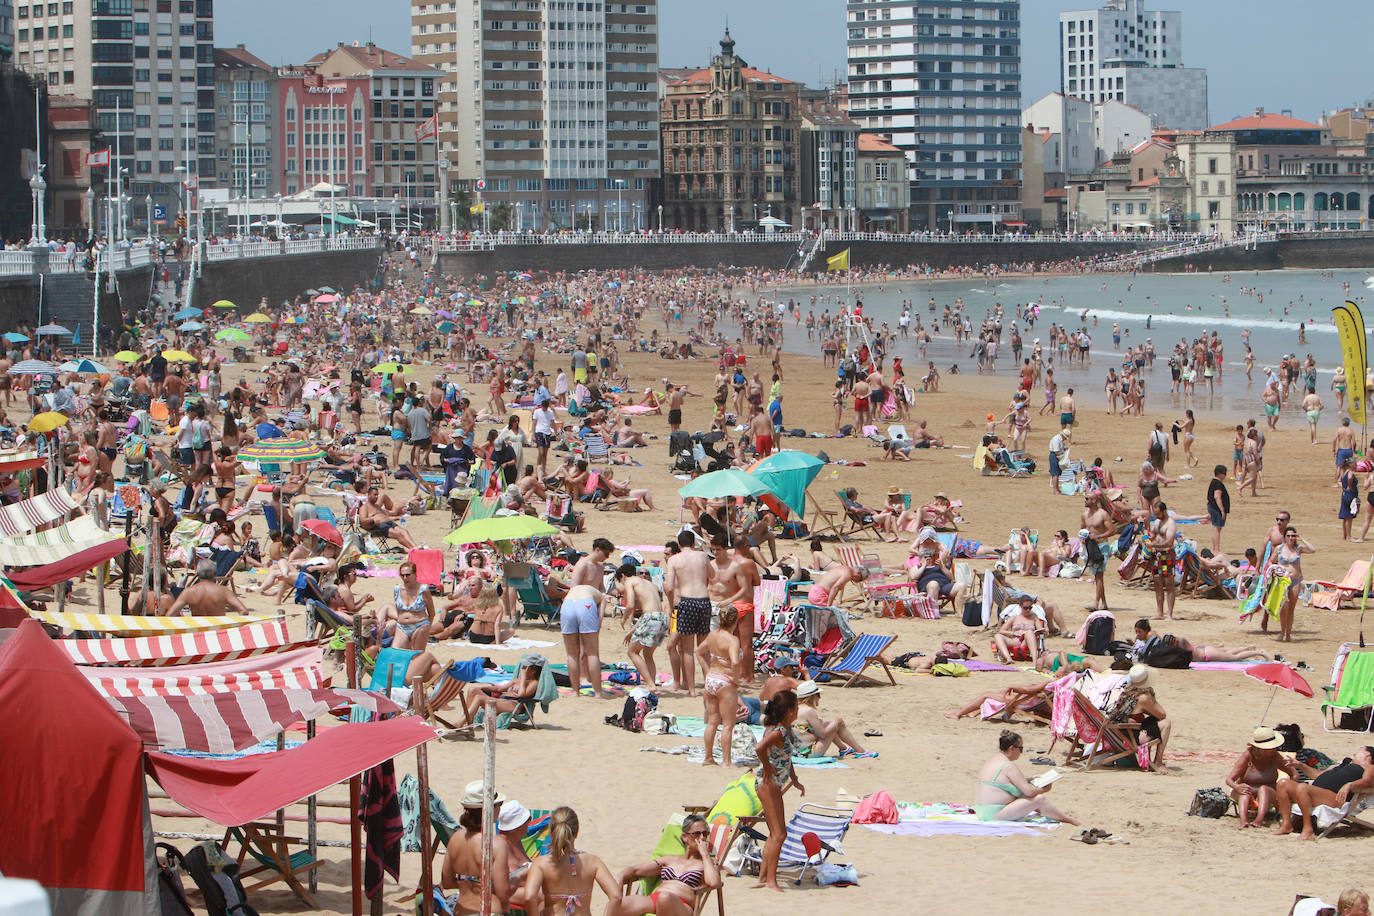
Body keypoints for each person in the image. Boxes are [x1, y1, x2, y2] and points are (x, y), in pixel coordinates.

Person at [523, 807, 620, 916]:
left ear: (552, 832)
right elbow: (616, 897)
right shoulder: (593, 861)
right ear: (576, 833)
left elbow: (529, 897)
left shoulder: (542, 863)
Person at [617, 814, 721, 916]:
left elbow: (714, 883)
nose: (702, 838)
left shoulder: (708, 863)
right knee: (617, 905)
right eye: (697, 833)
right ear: (684, 837)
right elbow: (635, 870)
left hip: (682, 905)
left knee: (665, 898)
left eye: (705, 834)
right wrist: (621, 877)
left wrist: (705, 855)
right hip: (656, 899)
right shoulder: (670, 859)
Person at [753, 691, 804, 892]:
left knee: (776, 833)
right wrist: (766, 765)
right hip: (768, 783)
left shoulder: (780, 729)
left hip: (773, 783)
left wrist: (795, 779)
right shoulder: (778, 732)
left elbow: (785, 757)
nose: (798, 710)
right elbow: (759, 749)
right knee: (779, 834)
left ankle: (763, 877)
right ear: (790, 710)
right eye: (797, 707)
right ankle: (771, 881)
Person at [973, 730, 1080, 824]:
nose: (1021, 753)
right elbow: (1029, 792)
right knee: (1039, 799)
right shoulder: (1008, 766)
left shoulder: (993, 760)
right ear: (1011, 748)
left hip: (982, 811)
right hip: (994, 815)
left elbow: (1004, 782)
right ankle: (1069, 820)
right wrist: (1045, 789)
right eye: (1021, 749)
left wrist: (1031, 779)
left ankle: (1061, 817)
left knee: (1030, 799)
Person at [1274, 746, 1374, 839]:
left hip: (1336, 798)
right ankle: (1287, 825)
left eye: (1360, 750)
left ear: (1367, 754)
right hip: (1315, 793)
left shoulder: (1369, 767)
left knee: (1303, 788)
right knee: (1283, 784)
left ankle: (1308, 829)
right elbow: (1318, 775)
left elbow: (1367, 781)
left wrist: (1350, 785)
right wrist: (1300, 765)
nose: (1356, 751)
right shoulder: (1345, 764)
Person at [441, 783, 512, 915]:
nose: (500, 809)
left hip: (462, 911)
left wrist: (468, 882)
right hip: (489, 911)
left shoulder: (455, 839)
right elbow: (503, 893)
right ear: (490, 809)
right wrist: (518, 879)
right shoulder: (496, 844)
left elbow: (446, 882)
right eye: (499, 804)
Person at [665, 529, 712, 696]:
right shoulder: (702, 556)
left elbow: (670, 587)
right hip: (704, 601)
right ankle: (709, 685)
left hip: (687, 601)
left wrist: (671, 603)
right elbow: (712, 575)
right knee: (704, 648)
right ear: (694, 543)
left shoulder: (674, 560)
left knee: (687, 650)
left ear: (679, 545)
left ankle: (692, 689)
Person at [1225, 726, 1298, 829]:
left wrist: (1287, 792)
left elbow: (1294, 774)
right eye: (1270, 747)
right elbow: (1229, 780)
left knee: (1263, 789)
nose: (1274, 748)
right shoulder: (1248, 755)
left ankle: (1259, 819)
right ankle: (1243, 820)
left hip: (1269, 792)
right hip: (1248, 792)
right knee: (1244, 790)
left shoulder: (1276, 756)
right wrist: (1237, 787)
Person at [794, 680, 874, 758]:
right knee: (838, 722)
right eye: (818, 695)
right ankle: (861, 751)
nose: (820, 697)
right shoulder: (808, 711)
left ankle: (844, 749)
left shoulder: (794, 709)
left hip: (795, 752)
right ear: (811, 697)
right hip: (809, 753)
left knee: (829, 723)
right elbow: (822, 734)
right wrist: (829, 725)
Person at [560, 581, 607, 698]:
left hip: (567, 604)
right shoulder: (599, 594)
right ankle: (598, 693)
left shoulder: (574, 590)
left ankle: (575, 692)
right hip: (586, 605)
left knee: (571, 654)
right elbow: (602, 606)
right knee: (592, 653)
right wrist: (598, 624)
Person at [164, 558, 251, 616]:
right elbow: (244, 611)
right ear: (214, 574)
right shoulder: (223, 591)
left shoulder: (189, 592)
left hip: (198, 631)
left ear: (198, 573)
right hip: (218, 631)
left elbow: (170, 614)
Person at [1275, 523, 1316, 642]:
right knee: (1284, 606)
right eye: (1288, 536)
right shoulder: (1279, 549)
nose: (1291, 538)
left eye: (1293, 536)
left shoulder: (1298, 549)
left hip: (1295, 580)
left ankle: (1288, 634)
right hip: (1283, 580)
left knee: (1291, 608)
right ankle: (1282, 632)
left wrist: (1301, 538)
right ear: (1284, 537)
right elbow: (1271, 561)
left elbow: (1313, 550)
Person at [383, 561, 435, 650]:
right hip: (402, 626)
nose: (405, 578)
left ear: (415, 574)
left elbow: (432, 613)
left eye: (408, 575)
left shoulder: (423, 590)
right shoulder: (397, 589)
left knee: (416, 655)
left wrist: (427, 628)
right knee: (395, 652)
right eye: (402, 575)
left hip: (420, 624)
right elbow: (399, 611)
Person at [1147, 501, 1178, 620]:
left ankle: (1169, 613)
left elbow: (1169, 542)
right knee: (1157, 583)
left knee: (1169, 584)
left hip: (1167, 554)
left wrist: (1153, 545)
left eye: (1158, 513)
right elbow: (1152, 536)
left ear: (1164, 511)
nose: (1156, 516)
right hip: (1157, 555)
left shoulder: (1170, 523)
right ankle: (1159, 612)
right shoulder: (1157, 522)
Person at [993, 594, 1045, 663]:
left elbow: (1040, 630)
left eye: (1030, 607)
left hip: (1027, 642)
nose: (1028, 610)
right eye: (1025, 608)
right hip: (1015, 641)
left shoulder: (1034, 617)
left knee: (1029, 632)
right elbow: (1001, 631)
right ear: (1020, 606)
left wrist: (1043, 631)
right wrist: (1013, 633)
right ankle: (1008, 659)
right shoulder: (1014, 618)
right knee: (997, 636)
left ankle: (1035, 661)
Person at [1207, 464, 1230, 554]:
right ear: (1220, 474)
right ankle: (1216, 549)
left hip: (1212, 507)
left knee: (1215, 528)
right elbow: (1217, 496)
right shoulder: (1218, 484)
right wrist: (1222, 510)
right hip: (1216, 509)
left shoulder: (1214, 482)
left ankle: (1215, 548)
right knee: (1217, 529)